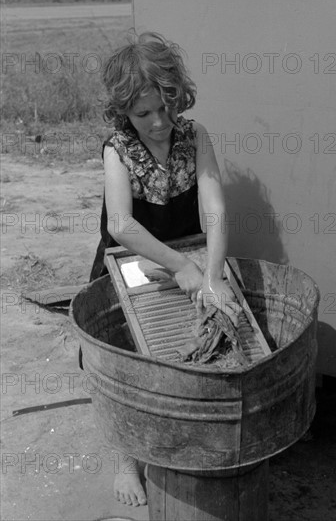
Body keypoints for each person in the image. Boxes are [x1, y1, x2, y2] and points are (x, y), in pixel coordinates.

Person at [88, 31, 240, 507]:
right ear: (124, 114)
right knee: (122, 356)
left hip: (190, 253)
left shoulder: (195, 137)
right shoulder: (118, 149)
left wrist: (211, 276)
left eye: (165, 108)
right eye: (143, 114)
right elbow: (121, 223)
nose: (158, 122)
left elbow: (212, 206)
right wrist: (177, 268)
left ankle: (184, 433)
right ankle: (126, 458)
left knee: (193, 343)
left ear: (178, 98)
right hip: (133, 258)